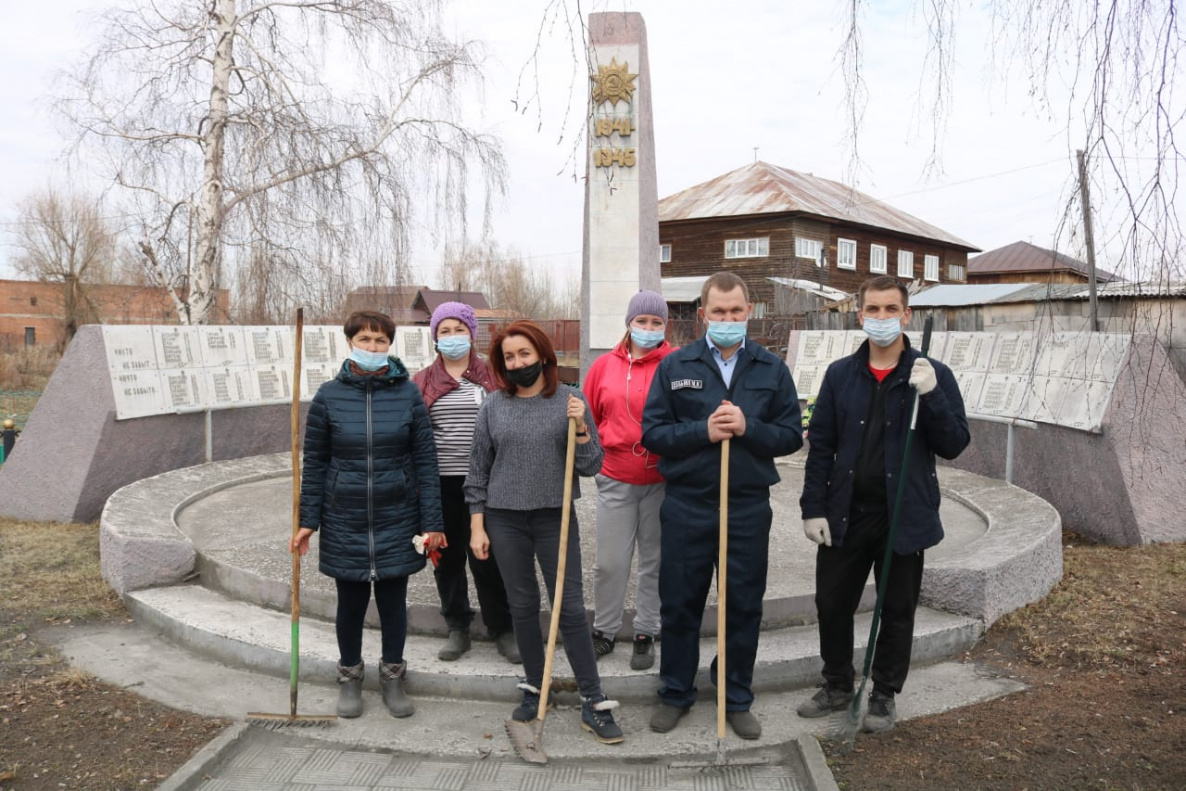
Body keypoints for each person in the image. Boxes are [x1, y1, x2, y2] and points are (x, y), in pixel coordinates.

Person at [797, 275, 969, 733]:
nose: (881, 318)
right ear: (860, 315)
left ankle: (884, 695)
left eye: (890, 309)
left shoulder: (931, 374)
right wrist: (812, 507)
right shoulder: (839, 375)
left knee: (896, 609)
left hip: (902, 515)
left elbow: (954, 444)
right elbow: (821, 448)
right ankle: (837, 684)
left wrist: (930, 396)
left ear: (906, 314)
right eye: (872, 310)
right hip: (845, 513)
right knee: (832, 603)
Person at [641, 271, 803, 740]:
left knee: (742, 605)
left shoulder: (771, 369)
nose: (728, 319)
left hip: (747, 507)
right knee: (680, 603)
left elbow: (792, 435)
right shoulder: (676, 366)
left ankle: (735, 696)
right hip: (688, 504)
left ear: (748, 312)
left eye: (736, 312)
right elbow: (653, 434)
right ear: (703, 315)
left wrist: (749, 426)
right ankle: (675, 692)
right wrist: (702, 431)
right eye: (719, 312)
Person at [464, 320, 624, 745]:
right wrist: (477, 525)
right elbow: (477, 470)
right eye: (509, 357)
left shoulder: (570, 400)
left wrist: (583, 428)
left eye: (525, 354)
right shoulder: (493, 406)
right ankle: (537, 689)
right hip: (503, 518)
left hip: (554, 516)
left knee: (569, 610)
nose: (518, 363)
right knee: (522, 605)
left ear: (543, 356)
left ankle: (593, 699)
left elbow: (591, 466)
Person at [292, 310, 445, 720]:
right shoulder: (328, 397)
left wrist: (432, 522)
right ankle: (349, 676)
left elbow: (426, 463)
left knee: (395, 603)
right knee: (351, 604)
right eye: (365, 340)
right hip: (346, 517)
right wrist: (309, 520)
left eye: (380, 341)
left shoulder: (409, 395)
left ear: (389, 346)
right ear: (350, 343)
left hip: (398, 516)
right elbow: (316, 464)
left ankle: (393, 675)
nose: (373, 348)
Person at [413, 301, 518, 665]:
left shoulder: (494, 377)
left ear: (472, 334)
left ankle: (502, 627)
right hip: (440, 483)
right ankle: (457, 625)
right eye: (445, 331)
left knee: (489, 558)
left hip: (489, 482)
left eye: (459, 329)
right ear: (435, 338)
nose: (453, 337)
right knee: (446, 559)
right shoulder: (422, 382)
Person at [583, 290, 674, 670]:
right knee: (610, 562)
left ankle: (646, 631)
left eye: (656, 323)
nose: (648, 329)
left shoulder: (675, 363)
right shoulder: (604, 366)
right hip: (616, 476)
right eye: (642, 321)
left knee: (654, 559)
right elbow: (587, 414)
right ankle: (604, 629)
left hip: (662, 478)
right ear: (629, 323)